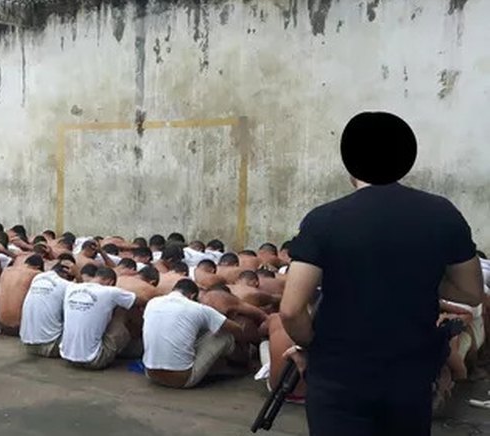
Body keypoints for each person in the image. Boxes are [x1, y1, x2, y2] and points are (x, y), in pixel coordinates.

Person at [281, 112, 483, 436]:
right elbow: (471, 292)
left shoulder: (324, 220)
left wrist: (313, 347)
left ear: (350, 165)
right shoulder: (442, 214)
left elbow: (291, 310)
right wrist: (418, 278)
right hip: (410, 375)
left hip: (339, 376)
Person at [142, 279, 243, 389]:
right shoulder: (198, 308)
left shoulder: (152, 303)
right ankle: (239, 364)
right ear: (193, 296)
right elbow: (236, 329)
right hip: (181, 379)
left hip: (151, 373)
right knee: (225, 336)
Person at [60, 267, 137, 370]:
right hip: (93, 360)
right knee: (123, 308)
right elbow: (139, 300)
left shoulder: (71, 288)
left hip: (66, 356)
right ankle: (134, 347)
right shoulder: (110, 291)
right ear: (110, 282)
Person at [20, 257, 75, 357]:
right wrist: (78, 274)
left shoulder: (38, 278)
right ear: (66, 273)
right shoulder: (67, 285)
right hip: (51, 345)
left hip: (27, 344)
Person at [0, 254, 45, 336]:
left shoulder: (6, 270)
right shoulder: (36, 274)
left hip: (2, 325)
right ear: (38, 267)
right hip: (20, 327)